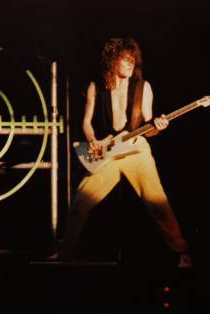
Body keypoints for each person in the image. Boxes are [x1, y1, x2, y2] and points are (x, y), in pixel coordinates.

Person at [56, 37, 192, 267]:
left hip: (136, 149)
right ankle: (64, 253)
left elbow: (148, 126)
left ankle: (183, 253)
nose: (131, 64)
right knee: (81, 202)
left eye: (133, 60)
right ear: (112, 60)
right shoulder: (95, 86)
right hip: (108, 150)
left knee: (157, 202)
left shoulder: (143, 86)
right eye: (126, 60)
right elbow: (86, 122)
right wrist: (92, 140)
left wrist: (157, 127)